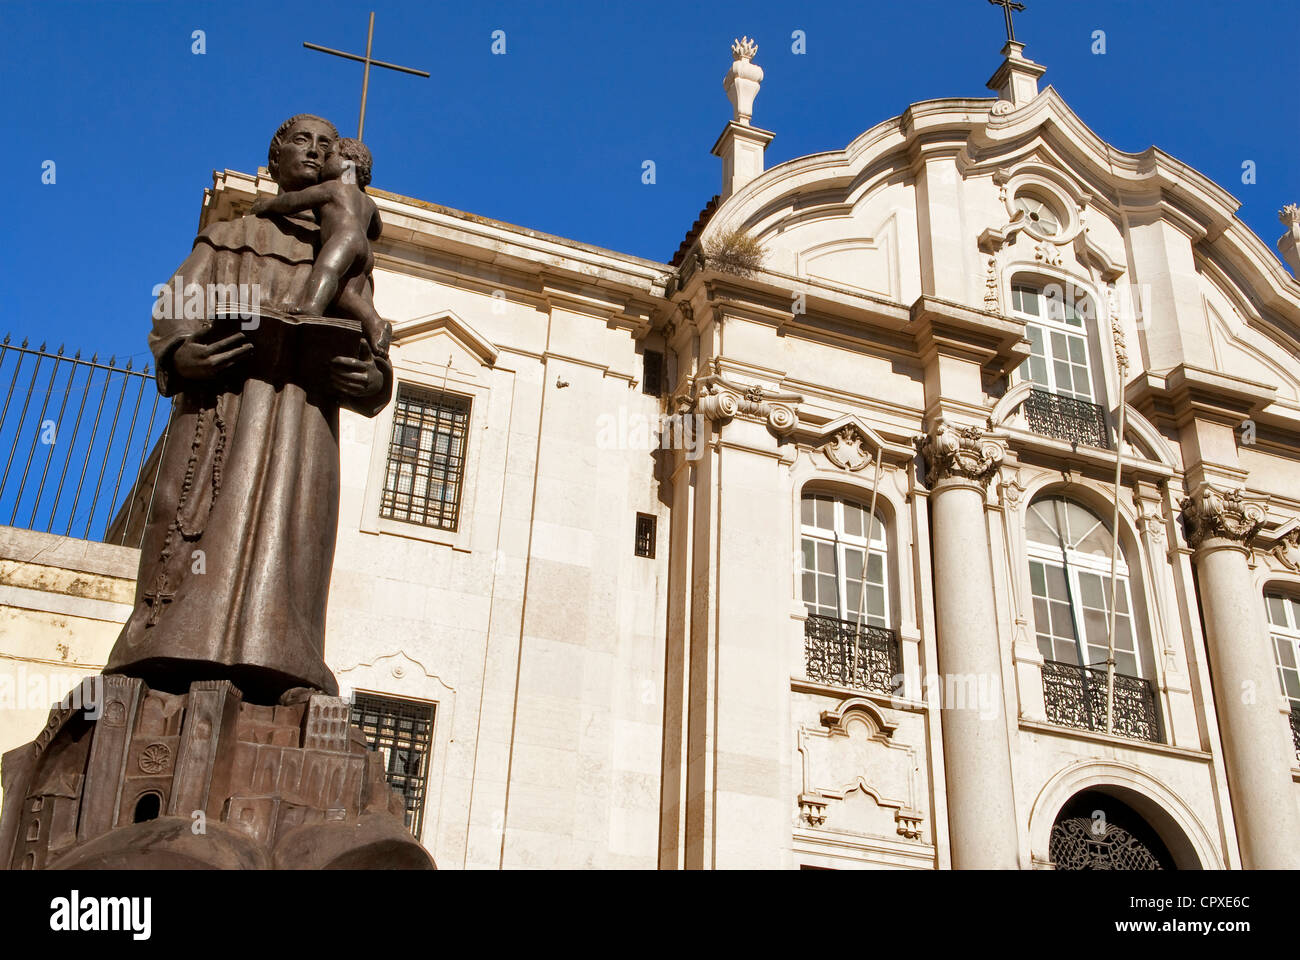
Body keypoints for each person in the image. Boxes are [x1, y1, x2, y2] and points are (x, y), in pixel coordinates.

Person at [104, 114, 392, 702]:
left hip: (305, 426)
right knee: (195, 537)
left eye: (327, 144)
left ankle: (285, 660)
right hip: (223, 411)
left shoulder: (344, 249)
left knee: (292, 545)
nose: (315, 151)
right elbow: (176, 306)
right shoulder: (232, 234)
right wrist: (183, 355)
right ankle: (163, 657)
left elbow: (371, 343)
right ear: (275, 158)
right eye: (301, 140)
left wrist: (371, 378)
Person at [250, 137, 391, 357]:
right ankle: (376, 324)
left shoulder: (332, 188)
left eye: (330, 155)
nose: (323, 162)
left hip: (343, 239)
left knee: (326, 271)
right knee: (347, 295)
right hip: (365, 251)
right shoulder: (368, 202)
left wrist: (267, 205)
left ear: (348, 163)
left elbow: (293, 201)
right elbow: (377, 230)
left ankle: (311, 307)